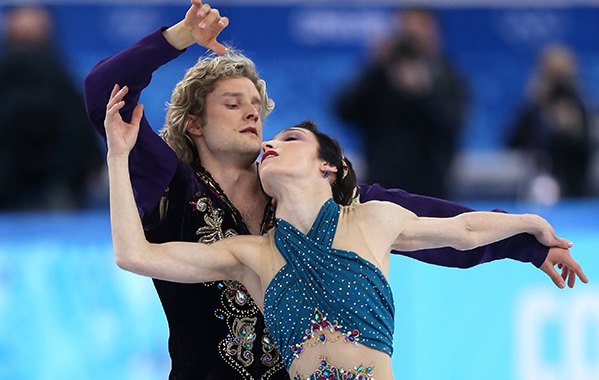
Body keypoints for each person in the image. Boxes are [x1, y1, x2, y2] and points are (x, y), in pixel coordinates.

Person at [84, 2, 583, 379]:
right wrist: (177, 37)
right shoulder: (170, 182)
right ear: (194, 123)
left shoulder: (320, 200)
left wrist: (526, 243)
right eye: (233, 104)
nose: (253, 113)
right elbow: (102, 91)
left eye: (258, 105)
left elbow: (446, 225)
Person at [105, 105, 588, 379]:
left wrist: (530, 226)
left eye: (291, 138)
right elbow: (134, 254)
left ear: (327, 166)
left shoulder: (374, 220)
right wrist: (117, 158)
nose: (269, 143)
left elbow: (464, 231)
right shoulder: (251, 254)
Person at [335, 7, 467, 199]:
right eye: (405, 30)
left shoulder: (448, 77)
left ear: (434, 34)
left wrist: (423, 93)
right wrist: (376, 67)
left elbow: (452, 125)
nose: (411, 39)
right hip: (382, 188)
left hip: (432, 191)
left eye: (418, 31)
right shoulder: (379, 77)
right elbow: (343, 110)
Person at [0, 5, 105, 210]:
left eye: (33, 42)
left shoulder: (63, 85)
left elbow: (91, 160)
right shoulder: (63, 82)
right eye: (22, 41)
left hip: (61, 187)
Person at [509, 43, 593, 199]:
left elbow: (586, 152)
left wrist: (572, 132)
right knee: (543, 189)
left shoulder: (578, 107)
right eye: (550, 73)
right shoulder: (535, 107)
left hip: (574, 187)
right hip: (539, 181)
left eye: (559, 74)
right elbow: (511, 142)